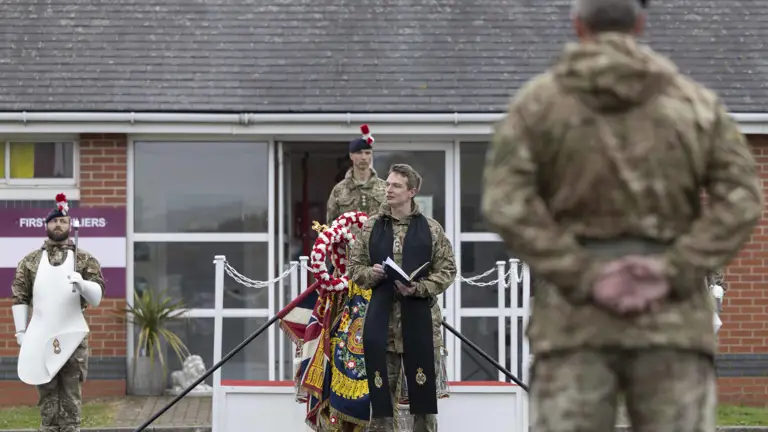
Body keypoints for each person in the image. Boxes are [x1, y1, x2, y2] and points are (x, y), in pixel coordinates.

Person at [480, 0, 763, 430]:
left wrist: (584, 273)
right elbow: (742, 198)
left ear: (578, 25)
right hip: (672, 318)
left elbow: (505, 202)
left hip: (575, 319)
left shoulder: (538, 106)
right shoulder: (694, 105)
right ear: (641, 23)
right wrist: (672, 269)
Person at [348, 163, 456, 432]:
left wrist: (418, 288)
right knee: (381, 403)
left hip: (420, 325)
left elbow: (448, 270)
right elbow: (354, 267)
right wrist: (370, 274)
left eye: (396, 185)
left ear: (412, 192)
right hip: (382, 326)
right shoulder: (372, 226)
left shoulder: (431, 229)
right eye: (388, 184)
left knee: (424, 405)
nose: (388, 189)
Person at [11, 193, 106, 432]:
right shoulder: (30, 261)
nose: (58, 225)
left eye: (63, 221)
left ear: (70, 224)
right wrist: (21, 332)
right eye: (54, 221)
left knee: (71, 395)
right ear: (47, 225)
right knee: (47, 394)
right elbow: (20, 296)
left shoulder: (83, 260)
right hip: (41, 334)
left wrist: (83, 284)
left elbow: (97, 296)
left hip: (73, 336)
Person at [326, 124, 387, 225]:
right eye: (359, 153)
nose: (363, 157)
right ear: (351, 156)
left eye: (367, 153)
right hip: (350, 240)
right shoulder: (339, 190)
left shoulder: (385, 188)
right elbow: (331, 225)